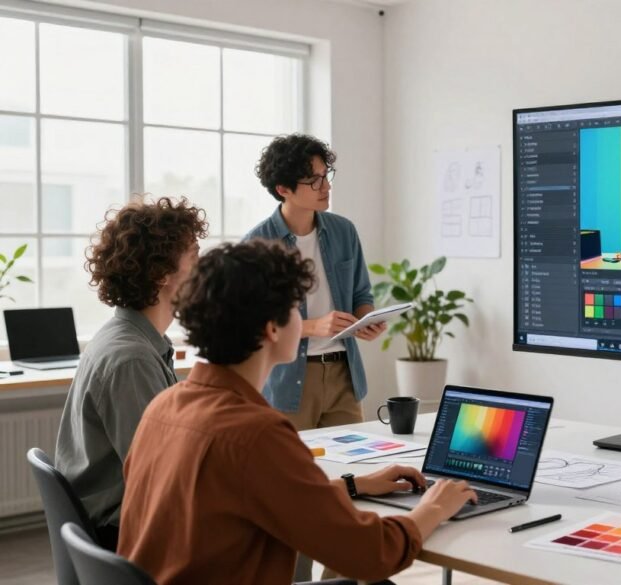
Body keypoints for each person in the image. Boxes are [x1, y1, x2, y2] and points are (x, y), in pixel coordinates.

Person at [117, 240, 477, 585]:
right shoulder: (256, 433)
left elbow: (252, 495)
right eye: (297, 308)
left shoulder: (163, 407)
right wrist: (433, 508)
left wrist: (355, 484)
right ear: (272, 328)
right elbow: (370, 553)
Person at [55, 196, 207, 551]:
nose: (204, 270)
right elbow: (163, 476)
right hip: (125, 533)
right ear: (161, 274)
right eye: (195, 257)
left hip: (120, 523)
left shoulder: (134, 339)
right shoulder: (132, 359)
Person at [246, 134, 383, 433]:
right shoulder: (257, 244)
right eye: (314, 180)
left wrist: (366, 320)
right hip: (288, 380)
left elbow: (361, 293)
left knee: (357, 460)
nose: (326, 187)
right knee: (291, 462)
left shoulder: (344, 231)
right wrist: (312, 327)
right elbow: (252, 322)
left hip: (344, 375)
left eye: (326, 175)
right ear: (283, 189)